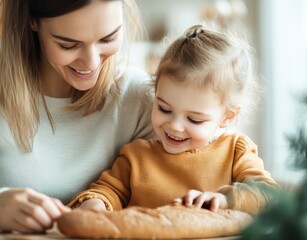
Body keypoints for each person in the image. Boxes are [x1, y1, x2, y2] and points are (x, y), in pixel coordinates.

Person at [0, 0, 155, 233]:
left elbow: (176, 197)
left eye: (108, 38)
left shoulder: (140, 98)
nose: (91, 63)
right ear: (32, 22)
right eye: (68, 44)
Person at [69, 24, 279, 215]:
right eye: (164, 108)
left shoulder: (235, 152)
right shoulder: (136, 157)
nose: (175, 126)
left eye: (194, 120)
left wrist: (224, 200)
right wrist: (96, 203)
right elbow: (107, 191)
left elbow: (269, 196)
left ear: (227, 117)